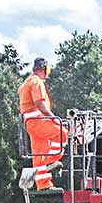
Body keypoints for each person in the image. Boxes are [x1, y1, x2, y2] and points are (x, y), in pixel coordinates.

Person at [18, 57, 67, 190]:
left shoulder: (25, 83)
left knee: (39, 155)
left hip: (30, 123)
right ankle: (52, 161)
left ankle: (43, 184)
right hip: (37, 121)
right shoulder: (36, 82)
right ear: (44, 69)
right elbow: (40, 103)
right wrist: (54, 118)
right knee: (62, 132)